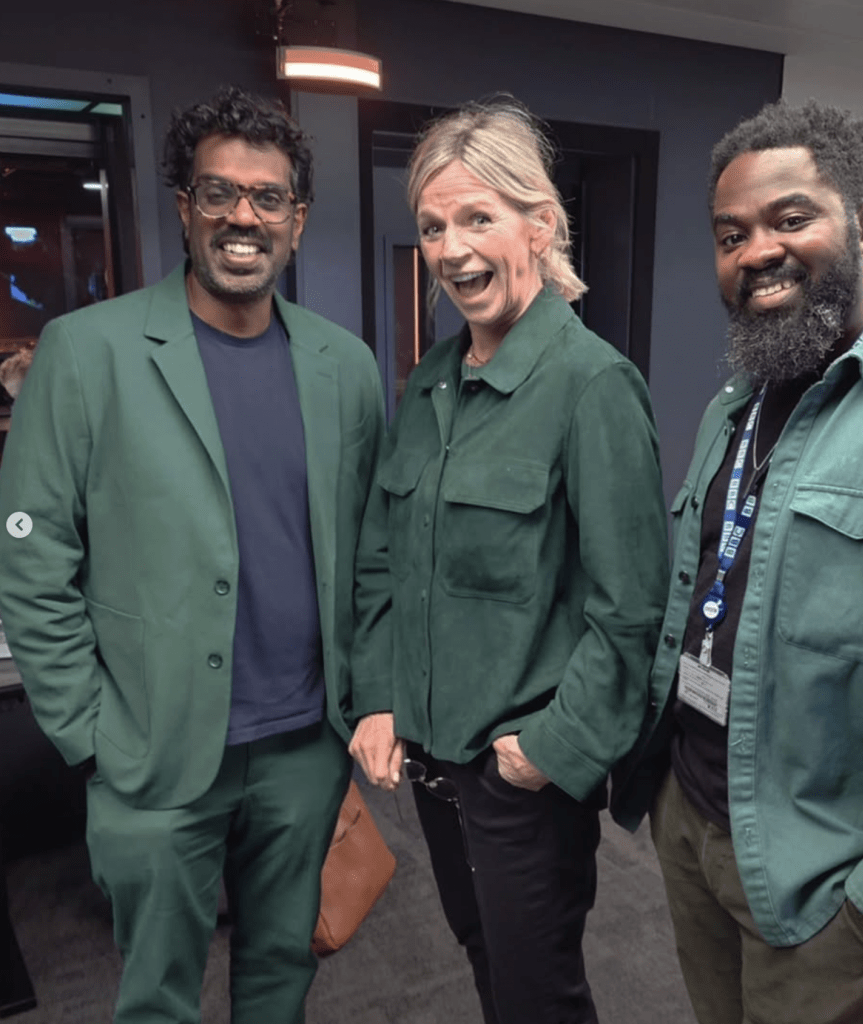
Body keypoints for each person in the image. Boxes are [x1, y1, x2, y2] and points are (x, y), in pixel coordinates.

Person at [612, 98, 863, 1024]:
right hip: (692, 821)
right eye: (731, 235)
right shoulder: (734, 406)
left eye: (790, 218)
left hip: (827, 878)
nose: (757, 251)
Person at [0, 86, 389, 1024]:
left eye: (267, 197)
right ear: (185, 207)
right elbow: (33, 561)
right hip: (152, 751)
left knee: (281, 973)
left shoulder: (347, 366)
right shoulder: (84, 352)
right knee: (157, 997)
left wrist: (362, 705)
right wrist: (90, 732)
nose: (243, 217)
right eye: (220, 193)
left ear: (297, 218)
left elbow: (372, 556)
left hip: (303, 748)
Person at [349, 98, 668, 1024]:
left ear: (541, 224)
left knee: (538, 995)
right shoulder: (430, 384)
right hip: (432, 762)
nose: (452, 249)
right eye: (433, 226)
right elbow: (384, 561)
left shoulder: (593, 386)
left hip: (520, 777)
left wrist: (548, 754)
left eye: (478, 217)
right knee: (483, 956)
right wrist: (378, 696)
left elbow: (631, 610)